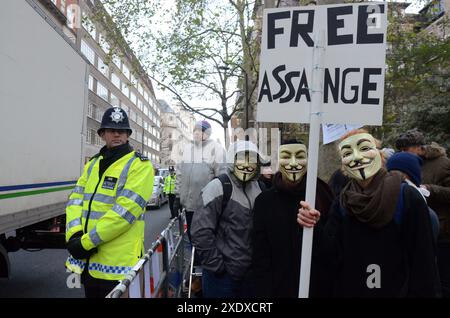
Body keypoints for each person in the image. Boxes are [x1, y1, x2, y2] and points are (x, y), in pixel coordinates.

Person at [298, 129, 441, 297]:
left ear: (380, 155)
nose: (357, 157)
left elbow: (424, 264)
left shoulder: (407, 198)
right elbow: (330, 255)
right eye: (348, 153)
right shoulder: (343, 202)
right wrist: (313, 225)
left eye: (365, 148)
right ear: (343, 165)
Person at [65, 107, 154, 298]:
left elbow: (124, 214)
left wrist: (86, 242)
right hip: (89, 263)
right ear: (102, 134)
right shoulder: (92, 164)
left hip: (118, 266)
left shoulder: (140, 166)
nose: (117, 134)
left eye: (121, 130)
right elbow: (75, 200)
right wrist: (74, 233)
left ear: (128, 135)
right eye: (111, 130)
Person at [251, 140, 334, 298]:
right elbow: (260, 255)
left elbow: (332, 249)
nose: (294, 163)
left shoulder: (322, 194)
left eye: (300, 156)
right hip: (278, 288)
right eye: (286, 156)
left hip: (317, 286)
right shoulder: (264, 201)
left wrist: (316, 227)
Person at [191, 140, 264, 298]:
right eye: (241, 158)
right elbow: (200, 232)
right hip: (222, 278)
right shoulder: (216, 187)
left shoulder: (260, 189)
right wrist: (218, 267)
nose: (246, 164)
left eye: (251, 159)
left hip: (250, 277)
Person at [396, 128, 450, 296]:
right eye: (401, 150)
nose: (403, 153)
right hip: (419, 229)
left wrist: (430, 189)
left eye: (406, 149)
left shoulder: (443, 163)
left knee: (443, 278)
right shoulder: (404, 163)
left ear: (420, 147)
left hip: (443, 230)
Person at [173, 120, 226, 241]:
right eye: (195, 130)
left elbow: (222, 176)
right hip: (189, 206)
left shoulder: (216, 150)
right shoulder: (187, 150)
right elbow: (180, 174)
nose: (196, 133)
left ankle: (202, 259)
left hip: (207, 206)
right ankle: (195, 258)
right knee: (192, 237)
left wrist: (221, 201)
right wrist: (177, 197)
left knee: (204, 238)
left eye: (200, 130)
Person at [386, 152, 440, 242]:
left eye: (394, 172)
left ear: (405, 175)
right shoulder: (427, 212)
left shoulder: (380, 199)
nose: (391, 176)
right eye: (389, 172)